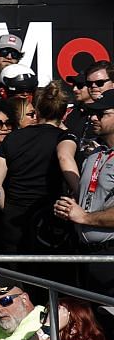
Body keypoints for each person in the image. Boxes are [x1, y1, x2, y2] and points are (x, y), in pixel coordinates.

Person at [0, 81, 78, 252]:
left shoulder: (12, 137)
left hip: (13, 221)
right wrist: (80, 193)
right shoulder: (65, 137)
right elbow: (65, 157)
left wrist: (8, 209)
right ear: (64, 114)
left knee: (14, 275)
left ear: (37, 111)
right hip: (50, 220)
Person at [53, 90, 114, 298]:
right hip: (85, 253)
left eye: (102, 114)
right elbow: (88, 198)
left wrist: (84, 217)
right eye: (91, 113)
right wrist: (70, 207)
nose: (93, 118)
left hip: (109, 256)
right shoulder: (95, 153)